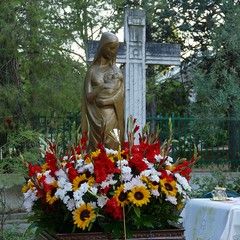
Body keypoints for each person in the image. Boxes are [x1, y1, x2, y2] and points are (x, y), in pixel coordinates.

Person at [81, 32, 124, 151]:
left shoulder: (116, 71)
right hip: (95, 118)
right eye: (110, 48)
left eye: (115, 49)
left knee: (112, 148)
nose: (113, 51)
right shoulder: (92, 71)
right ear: (103, 47)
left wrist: (107, 100)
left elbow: (121, 95)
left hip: (111, 116)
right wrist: (101, 86)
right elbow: (88, 97)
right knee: (95, 151)